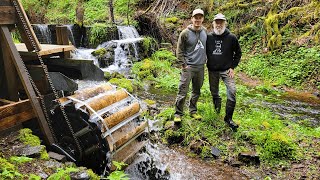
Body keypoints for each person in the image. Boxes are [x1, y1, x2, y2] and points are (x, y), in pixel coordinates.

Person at [206, 13, 242, 130]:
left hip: (227, 71)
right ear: (213, 23)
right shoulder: (208, 37)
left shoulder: (232, 38)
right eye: (217, 22)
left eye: (221, 22)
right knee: (214, 92)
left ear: (225, 23)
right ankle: (217, 111)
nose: (219, 24)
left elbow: (238, 53)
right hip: (212, 70)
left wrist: (232, 67)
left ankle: (228, 118)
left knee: (232, 91)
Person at [173, 9, 207, 123]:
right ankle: (178, 113)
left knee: (196, 91)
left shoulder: (205, 31)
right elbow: (179, 50)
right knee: (183, 90)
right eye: (195, 17)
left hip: (200, 67)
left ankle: (193, 111)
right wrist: (183, 64)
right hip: (188, 67)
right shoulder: (185, 33)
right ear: (191, 19)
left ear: (203, 19)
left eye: (200, 17)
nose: (198, 19)